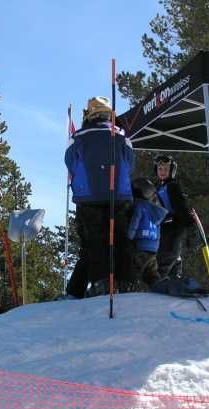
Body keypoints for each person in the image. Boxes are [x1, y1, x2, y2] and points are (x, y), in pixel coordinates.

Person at [65, 96, 135, 296]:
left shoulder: (78, 136)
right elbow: (131, 161)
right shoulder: (121, 134)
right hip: (119, 195)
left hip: (89, 197)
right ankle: (126, 282)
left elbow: (69, 161)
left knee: (95, 241)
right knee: (121, 239)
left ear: (89, 114)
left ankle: (101, 283)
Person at [153, 154, 192, 280]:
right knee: (173, 268)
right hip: (164, 232)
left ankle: (158, 295)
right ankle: (175, 288)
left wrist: (190, 227)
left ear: (172, 171)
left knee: (162, 267)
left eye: (165, 169)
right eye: (160, 169)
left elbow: (182, 207)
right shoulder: (160, 187)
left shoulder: (172, 186)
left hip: (172, 232)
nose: (162, 172)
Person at [127, 177, 167, 289]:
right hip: (153, 249)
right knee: (151, 273)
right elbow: (158, 229)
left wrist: (129, 238)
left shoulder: (140, 206)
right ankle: (160, 287)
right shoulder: (156, 211)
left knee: (134, 270)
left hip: (141, 246)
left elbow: (135, 223)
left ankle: (130, 289)